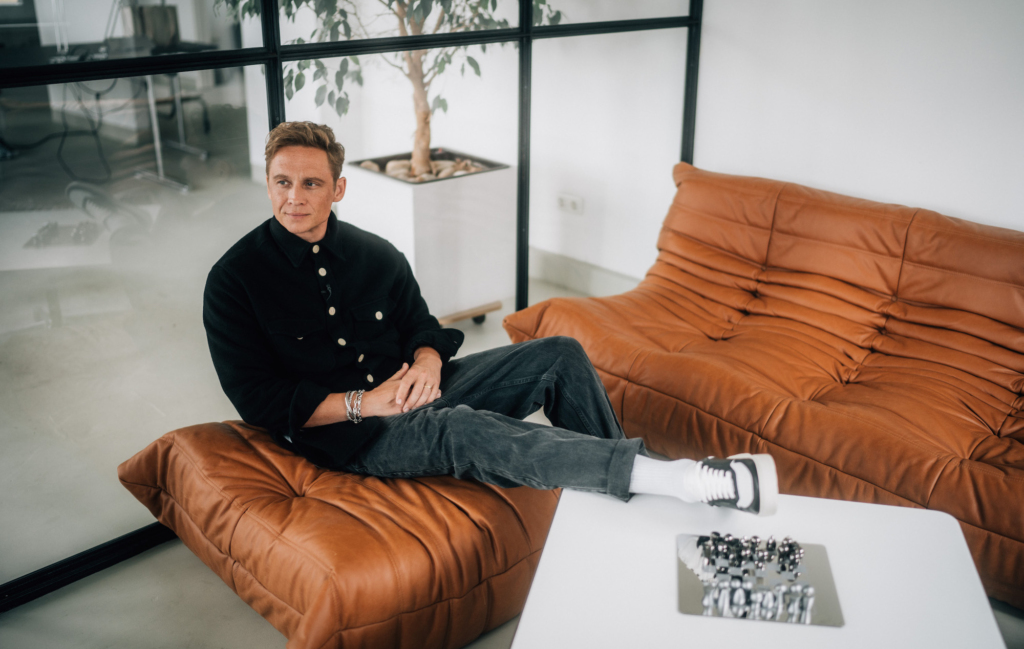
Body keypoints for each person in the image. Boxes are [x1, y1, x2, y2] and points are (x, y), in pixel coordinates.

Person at [203, 121, 778, 515]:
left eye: (311, 183)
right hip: (351, 436)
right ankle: (679, 479)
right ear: (270, 184)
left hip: (418, 390)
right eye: (283, 182)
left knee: (560, 353)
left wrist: (428, 363)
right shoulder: (233, 281)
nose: (295, 198)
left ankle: (627, 490)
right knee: (462, 428)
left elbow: (422, 326)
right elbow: (260, 401)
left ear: (339, 188)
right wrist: (365, 403)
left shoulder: (377, 253)